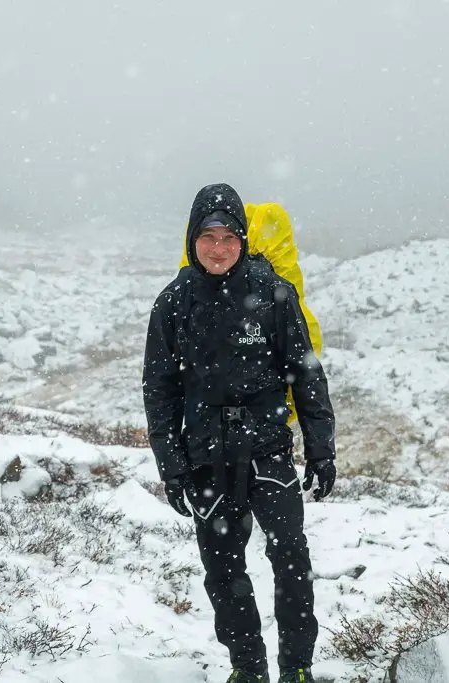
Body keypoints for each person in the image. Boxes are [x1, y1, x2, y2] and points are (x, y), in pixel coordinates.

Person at [143, 182, 335, 683]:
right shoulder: (173, 303)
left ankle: (297, 668)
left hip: (268, 452)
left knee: (290, 556)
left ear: (243, 241)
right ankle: (248, 669)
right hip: (206, 457)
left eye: (229, 237)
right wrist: (172, 467)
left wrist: (321, 450)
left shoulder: (273, 293)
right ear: (192, 240)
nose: (219, 248)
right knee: (224, 572)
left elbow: (306, 372)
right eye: (209, 237)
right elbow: (159, 391)